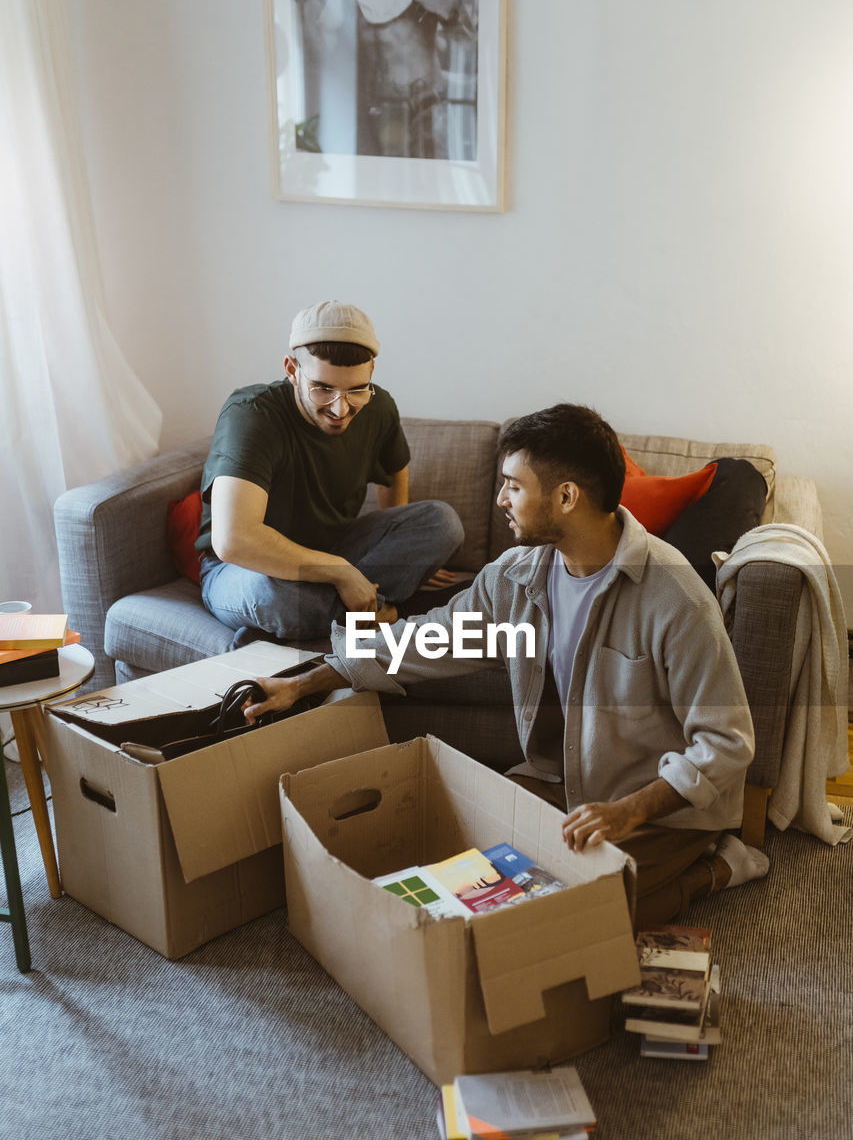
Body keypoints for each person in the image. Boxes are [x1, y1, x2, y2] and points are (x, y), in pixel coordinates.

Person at [242, 403, 770, 928]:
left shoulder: (675, 596)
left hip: (662, 811)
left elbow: (726, 741)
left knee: (582, 918)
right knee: (480, 889)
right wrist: (306, 680)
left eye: (513, 485)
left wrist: (627, 811)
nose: (500, 500)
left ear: (566, 497)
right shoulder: (516, 576)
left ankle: (719, 867)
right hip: (557, 783)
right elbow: (429, 639)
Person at [196, 300, 464, 644]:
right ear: (292, 369)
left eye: (356, 389)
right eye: (323, 388)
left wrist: (405, 556)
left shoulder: (379, 405)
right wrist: (341, 573)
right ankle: (395, 614)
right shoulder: (251, 414)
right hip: (242, 570)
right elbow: (234, 541)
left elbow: (395, 471)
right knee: (271, 598)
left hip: (336, 548)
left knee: (442, 521)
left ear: (371, 373)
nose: (341, 408)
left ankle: (298, 630)